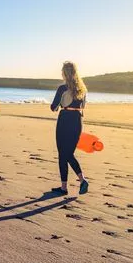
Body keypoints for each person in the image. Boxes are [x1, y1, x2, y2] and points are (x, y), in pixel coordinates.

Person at [50, 61, 89, 195]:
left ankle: (79, 181)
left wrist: (60, 104)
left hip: (65, 120)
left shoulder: (62, 88)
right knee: (68, 153)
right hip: (77, 121)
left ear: (64, 73)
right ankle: (65, 187)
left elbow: (53, 107)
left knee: (63, 154)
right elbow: (83, 106)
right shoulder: (82, 89)